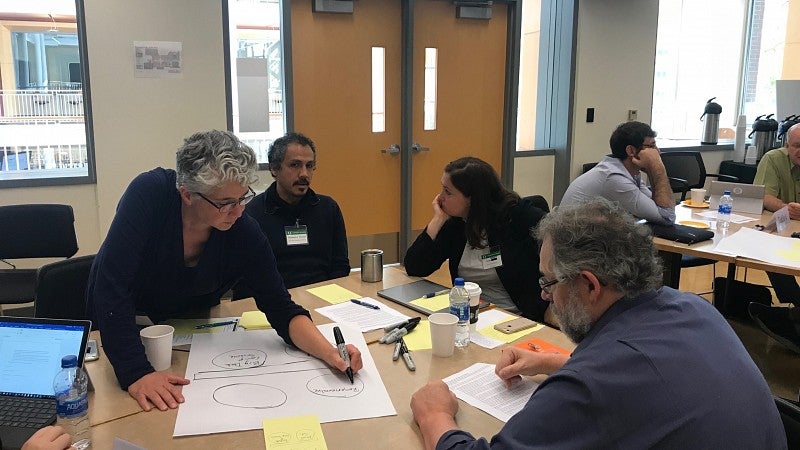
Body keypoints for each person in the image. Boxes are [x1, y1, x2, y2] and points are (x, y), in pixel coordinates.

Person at [411, 198, 786, 449]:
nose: (545, 296)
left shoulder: (593, 388)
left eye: (548, 282)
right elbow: (648, 375)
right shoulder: (692, 308)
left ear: (590, 284)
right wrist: (553, 362)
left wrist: (436, 416)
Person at [87, 130, 362, 412]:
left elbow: (280, 307)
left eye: (242, 198)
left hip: (189, 329)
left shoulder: (242, 230)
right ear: (187, 195)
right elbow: (112, 288)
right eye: (225, 203)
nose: (238, 211)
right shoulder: (150, 194)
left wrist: (330, 353)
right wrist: (137, 373)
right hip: (128, 322)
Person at [403, 157, 549, 321]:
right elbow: (415, 266)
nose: (439, 198)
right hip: (470, 316)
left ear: (472, 198)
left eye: (447, 192)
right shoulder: (455, 224)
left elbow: (561, 256)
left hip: (517, 318)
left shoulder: (518, 218)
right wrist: (437, 220)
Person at [232, 132, 349, 296]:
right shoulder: (250, 213)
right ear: (274, 168)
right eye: (295, 165)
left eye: (309, 166)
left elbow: (340, 265)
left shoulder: (328, 208)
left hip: (323, 297)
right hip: (271, 302)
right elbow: (242, 278)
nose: (304, 174)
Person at [560, 121, 675, 225]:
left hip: (589, 239)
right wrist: (657, 167)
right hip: (573, 244)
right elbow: (667, 217)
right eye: (652, 146)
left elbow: (661, 207)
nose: (657, 151)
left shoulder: (626, 172)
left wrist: (651, 170)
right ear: (631, 151)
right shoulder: (614, 178)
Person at [750, 122, 800, 354]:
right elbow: (765, 196)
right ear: (787, 145)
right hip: (784, 225)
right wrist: (786, 208)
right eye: (797, 146)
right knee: (767, 248)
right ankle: (795, 304)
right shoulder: (773, 159)